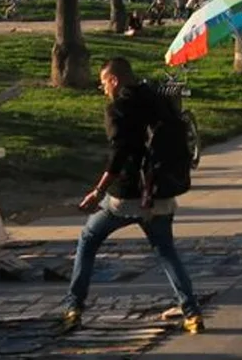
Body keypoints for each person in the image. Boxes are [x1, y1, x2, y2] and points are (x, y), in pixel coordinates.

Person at [61, 57, 202, 335]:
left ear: (114, 80)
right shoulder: (159, 99)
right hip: (161, 191)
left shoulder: (118, 109)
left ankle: (73, 307)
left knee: (88, 239)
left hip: (126, 196)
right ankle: (192, 314)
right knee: (165, 251)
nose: (103, 90)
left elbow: (119, 154)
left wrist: (98, 190)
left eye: (103, 84)